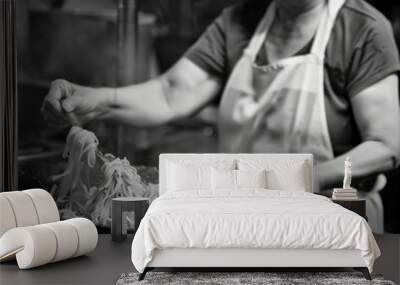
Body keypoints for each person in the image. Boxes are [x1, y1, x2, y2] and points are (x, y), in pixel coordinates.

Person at [42, 0, 400, 195]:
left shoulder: (361, 29)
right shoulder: (241, 20)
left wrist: (302, 177)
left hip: (336, 215)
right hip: (243, 208)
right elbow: (170, 94)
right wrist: (93, 99)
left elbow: (385, 145)